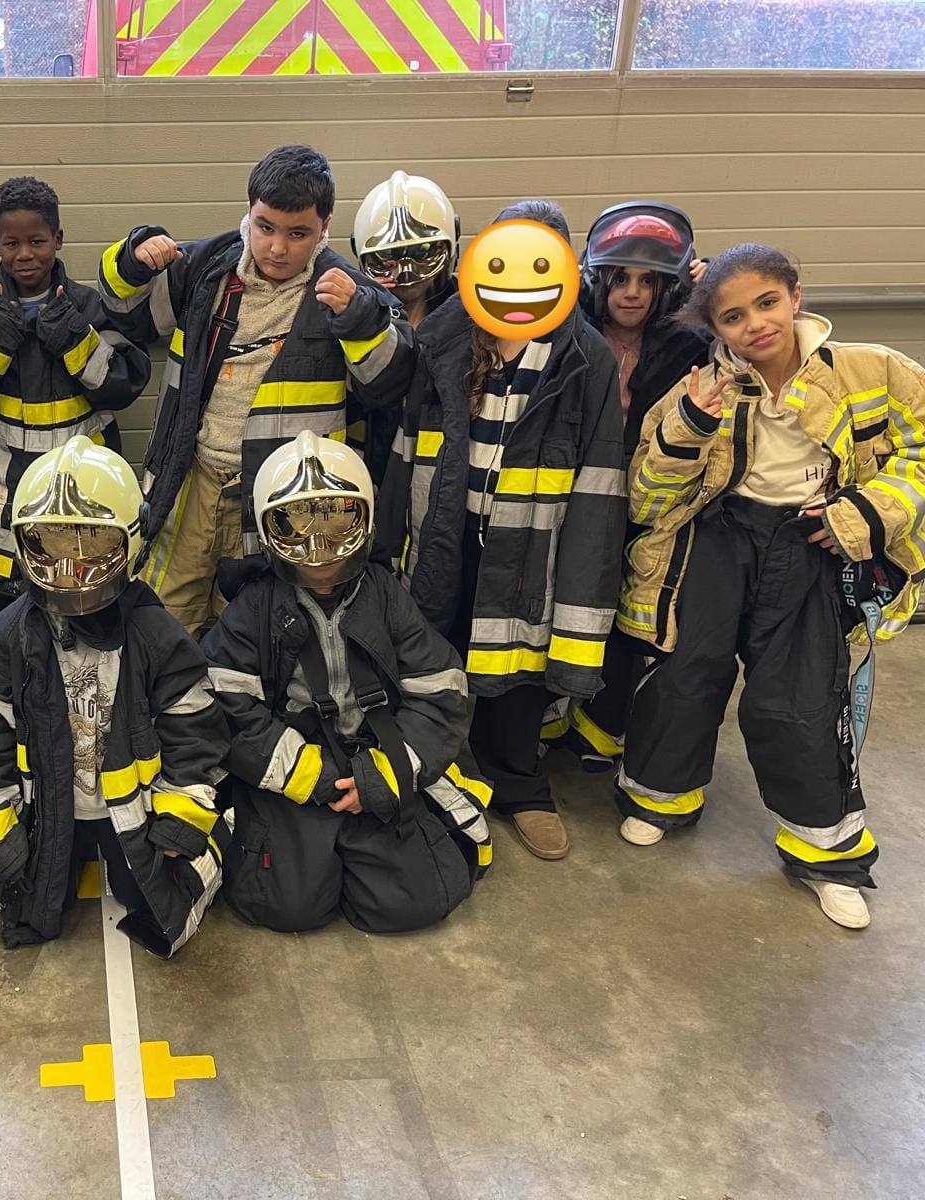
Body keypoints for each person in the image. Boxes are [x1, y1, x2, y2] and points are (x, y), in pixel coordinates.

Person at [617, 243, 925, 930]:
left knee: (801, 695)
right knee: (685, 669)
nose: (754, 324)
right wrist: (690, 425)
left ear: (796, 296)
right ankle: (660, 796)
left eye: (767, 303)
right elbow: (646, 495)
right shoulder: (700, 388)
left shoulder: (872, 370)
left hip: (813, 542)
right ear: (715, 328)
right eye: (733, 317)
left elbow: (920, 447)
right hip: (719, 535)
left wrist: (864, 515)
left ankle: (825, 852)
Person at [377, 199, 626, 862]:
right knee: (437, 647)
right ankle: (435, 769)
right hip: (444, 528)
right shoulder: (445, 337)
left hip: (531, 540)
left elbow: (601, 473)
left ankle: (520, 785)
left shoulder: (586, 357)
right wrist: (389, 540)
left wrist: (583, 563)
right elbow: (407, 443)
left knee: (518, 662)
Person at [97, 144, 414, 635]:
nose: (277, 248)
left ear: (325, 227)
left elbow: (389, 384)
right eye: (265, 227)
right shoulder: (206, 269)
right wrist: (132, 259)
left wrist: (359, 320)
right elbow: (127, 315)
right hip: (190, 483)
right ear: (249, 212)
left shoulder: (347, 291)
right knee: (161, 627)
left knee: (256, 636)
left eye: (297, 233)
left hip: (282, 502)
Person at [0, 436, 230, 957]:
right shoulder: (6, 636)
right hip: (47, 811)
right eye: (51, 544)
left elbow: (195, 731)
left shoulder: (157, 635)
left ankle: (201, 838)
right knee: (16, 883)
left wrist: (180, 818)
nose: (72, 568)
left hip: (134, 817)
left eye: (93, 544)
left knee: (158, 894)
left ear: (130, 542)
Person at [203, 433, 490, 933]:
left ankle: (365, 842)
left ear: (366, 519)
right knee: (285, 907)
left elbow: (441, 690)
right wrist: (310, 776)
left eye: (338, 522)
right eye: (294, 526)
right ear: (267, 531)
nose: (319, 549)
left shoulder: (386, 596)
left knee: (412, 904)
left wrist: (379, 779)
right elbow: (227, 704)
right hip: (297, 764)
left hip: (376, 754)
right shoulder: (254, 606)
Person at [0, 176, 150, 619]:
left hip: (81, 524)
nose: (24, 254)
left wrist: (71, 335)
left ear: (58, 239)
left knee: (82, 629)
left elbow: (122, 385)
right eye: (12, 243)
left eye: (37, 241)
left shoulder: (88, 307)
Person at [543, 202, 711, 771]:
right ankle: (555, 707)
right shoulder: (571, 334)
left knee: (629, 613)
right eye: (620, 279)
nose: (632, 293)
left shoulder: (689, 346)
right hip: (576, 491)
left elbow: (738, 352)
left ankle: (603, 724)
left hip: (652, 501)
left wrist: (709, 293)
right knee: (566, 600)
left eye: (648, 281)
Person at [351, 169, 459, 329]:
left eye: (421, 252)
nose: (406, 272)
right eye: (387, 255)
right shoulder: (354, 318)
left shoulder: (471, 313)